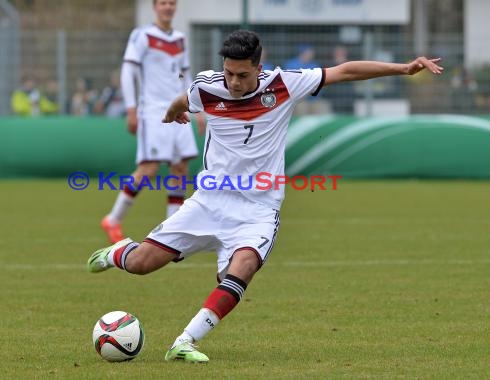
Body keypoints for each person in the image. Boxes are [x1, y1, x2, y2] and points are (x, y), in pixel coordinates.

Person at [86, 30, 444, 363]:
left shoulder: (285, 85)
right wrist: (173, 111)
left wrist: (403, 68)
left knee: (241, 270)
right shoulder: (208, 87)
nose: (234, 82)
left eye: (242, 75)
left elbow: (345, 71)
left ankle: (184, 342)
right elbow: (185, 99)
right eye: (229, 73)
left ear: (260, 66)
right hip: (209, 202)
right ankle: (116, 252)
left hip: (258, 209)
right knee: (142, 264)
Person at [100, 0, 205, 243]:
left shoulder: (180, 38)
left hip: (179, 109)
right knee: (149, 168)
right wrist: (131, 109)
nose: (168, 7)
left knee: (180, 167)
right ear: (154, 7)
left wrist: (197, 108)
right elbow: (128, 72)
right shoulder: (142, 35)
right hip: (153, 112)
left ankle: (172, 232)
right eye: (163, 3)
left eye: (171, 3)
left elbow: (185, 75)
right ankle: (113, 219)